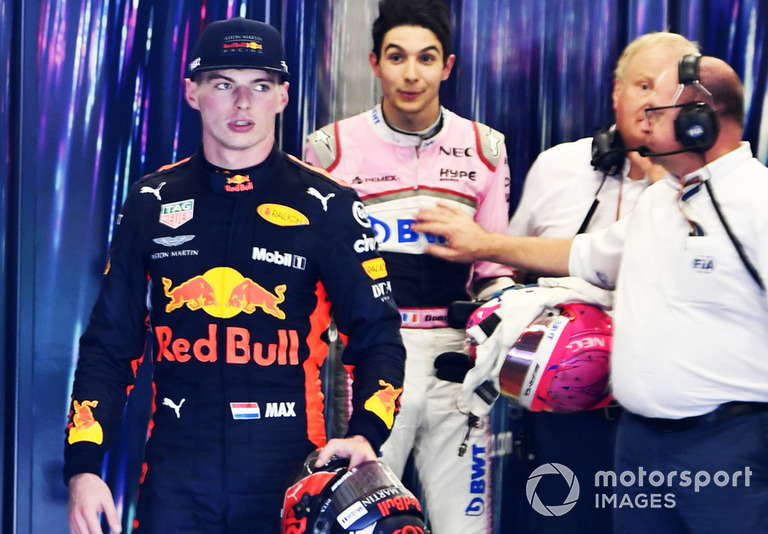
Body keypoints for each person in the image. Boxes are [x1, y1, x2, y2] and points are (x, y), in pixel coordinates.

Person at [64, 17, 405, 534]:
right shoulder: (152, 201)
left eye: (259, 85)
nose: (242, 103)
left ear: (283, 96)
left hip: (291, 471)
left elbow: (378, 335)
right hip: (177, 471)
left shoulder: (329, 205)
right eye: (224, 84)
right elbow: (111, 345)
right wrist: (84, 468)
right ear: (193, 93)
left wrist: (365, 436)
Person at [414, 55, 768, 533]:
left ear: (699, 122)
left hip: (726, 448)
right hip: (638, 447)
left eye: (657, 112)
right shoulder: (662, 202)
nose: (644, 122)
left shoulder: (757, 202)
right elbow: (589, 255)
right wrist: (485, 245)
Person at [303, 1, 514, 532]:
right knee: (357, 521)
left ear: (448, 66)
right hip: (366, 360)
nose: (411, 73)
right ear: (375, 62)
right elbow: (308, 274)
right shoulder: (329, 149)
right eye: (397, 57)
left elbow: (494, 269)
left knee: (464, 526)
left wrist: (493, 337)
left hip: (453, 360)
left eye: (426, 58)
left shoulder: (485, 149)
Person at [505, 32, 698, 534]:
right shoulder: (556, 167)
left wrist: (663, 174)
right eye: (642, 86)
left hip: (666, 420)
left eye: (671, 90)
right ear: (616, 93)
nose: (654, 102)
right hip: (563, 416)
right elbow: (509, 270)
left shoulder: (701, 188)